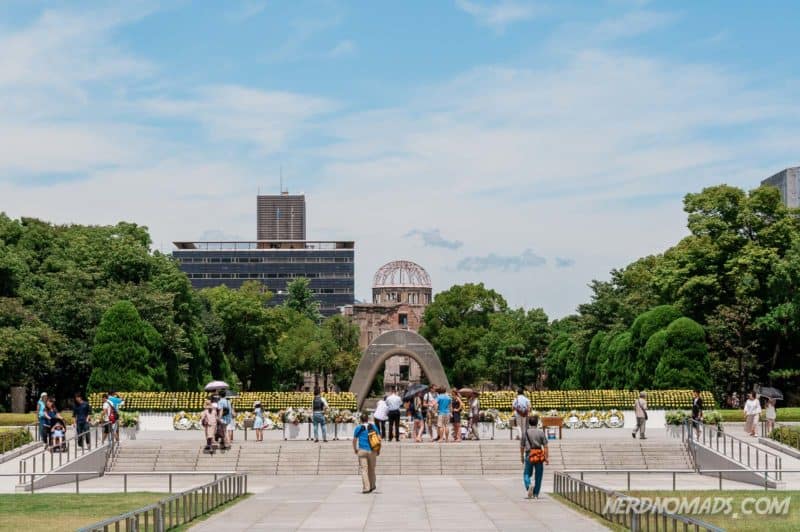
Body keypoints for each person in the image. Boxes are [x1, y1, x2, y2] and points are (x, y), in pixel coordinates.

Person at [520, 413, 549, 499]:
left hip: (529, 454)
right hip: (539, 454)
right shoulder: (541, 432)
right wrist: (546, 458)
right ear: (537, 423)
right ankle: (536, 493)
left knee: (526, 473)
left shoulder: (525, 433)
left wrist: (521, 456)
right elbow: (546, 446)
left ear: (529, 423)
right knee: (539, 475)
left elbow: (522, 446)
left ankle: (528, 485)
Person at [353, 413, 379, 494]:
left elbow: (354, 440)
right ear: (368, 419)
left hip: (362, 450)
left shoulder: (358, 428)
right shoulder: (373, 427)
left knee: (364, 470)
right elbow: (379, 438)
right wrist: (378, 450)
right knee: (372, 469)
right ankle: (372, 485)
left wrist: (355, 449)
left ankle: (366, 488)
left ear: (360, 420)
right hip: (372, 450)